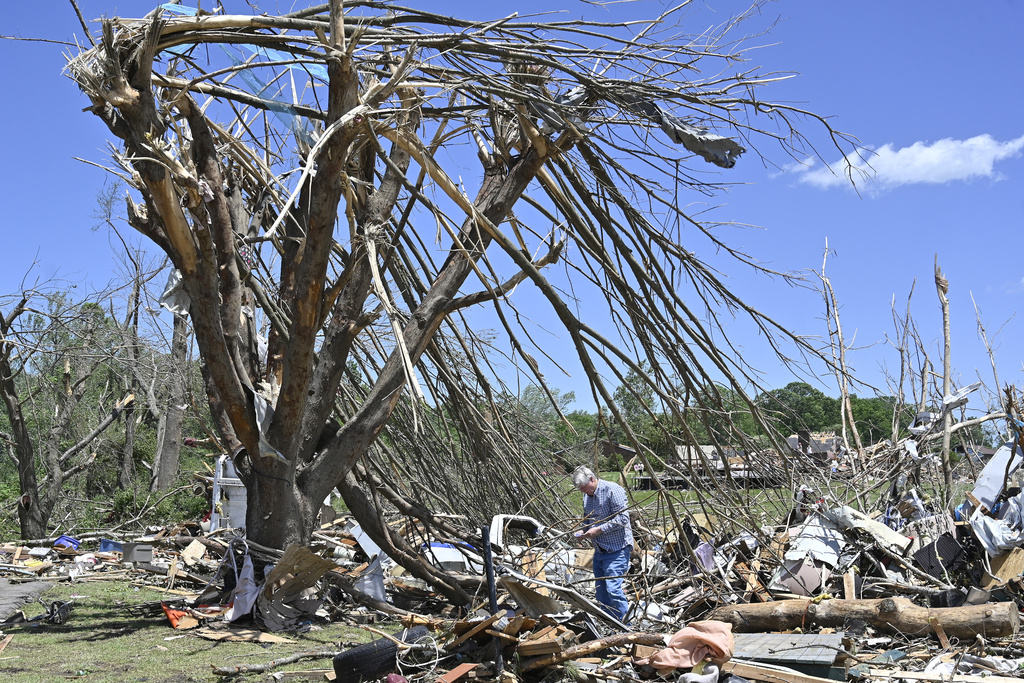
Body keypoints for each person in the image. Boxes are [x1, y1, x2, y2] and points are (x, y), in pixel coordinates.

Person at [572, 465, 633, 623]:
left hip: (617, 549)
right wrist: (583, 531)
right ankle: (609, 624)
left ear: (592, 479)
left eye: (584, 487)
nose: (582, 491)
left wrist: (599, 530)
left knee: (613, 589)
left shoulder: (613, 490)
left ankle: (627, 626)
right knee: (601, 592)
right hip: (600, 550)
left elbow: (623, 518)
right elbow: (588, 518)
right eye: (580, 489)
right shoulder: (587, 496)